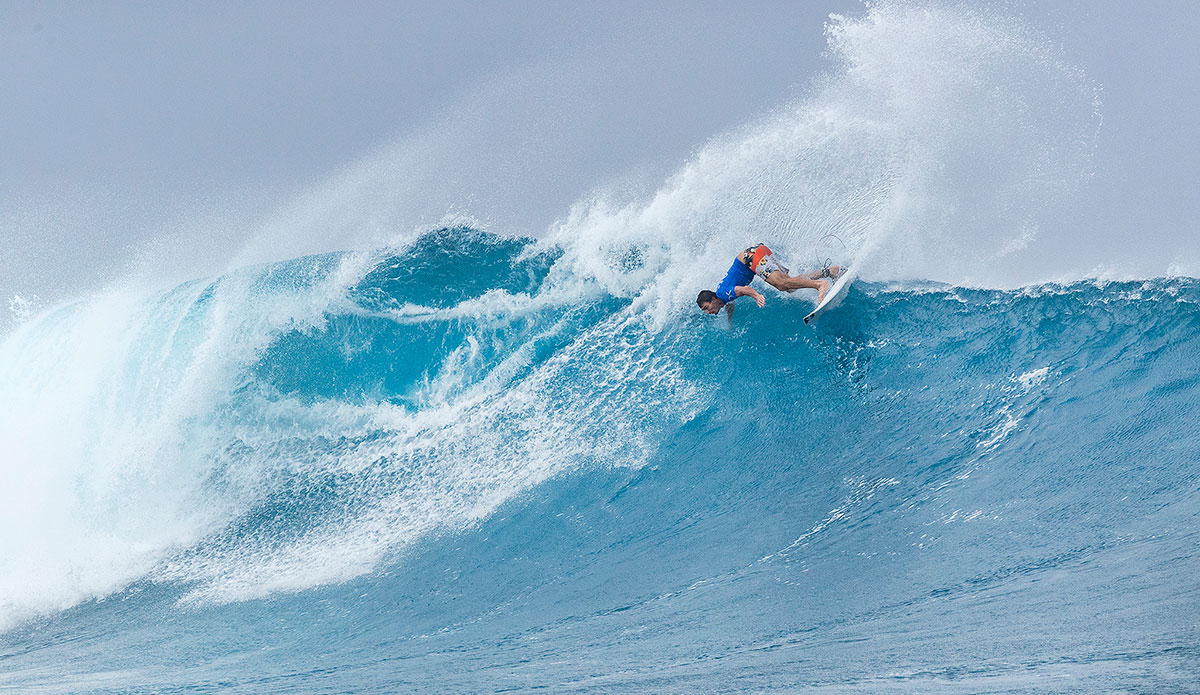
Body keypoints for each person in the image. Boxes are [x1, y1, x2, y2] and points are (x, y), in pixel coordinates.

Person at [696, 243, 839, 319]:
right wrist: (729, 321)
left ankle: (819, 285)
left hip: (750, 258)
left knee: (781, 284)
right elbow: (730, 302)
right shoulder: (723, 296)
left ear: (713, 299)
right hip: (756, 252)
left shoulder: (722, 294)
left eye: (706, 308)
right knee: (789, 285)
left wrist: (757, 296)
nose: (708, 312)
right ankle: (829, 271)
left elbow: (742, 290)